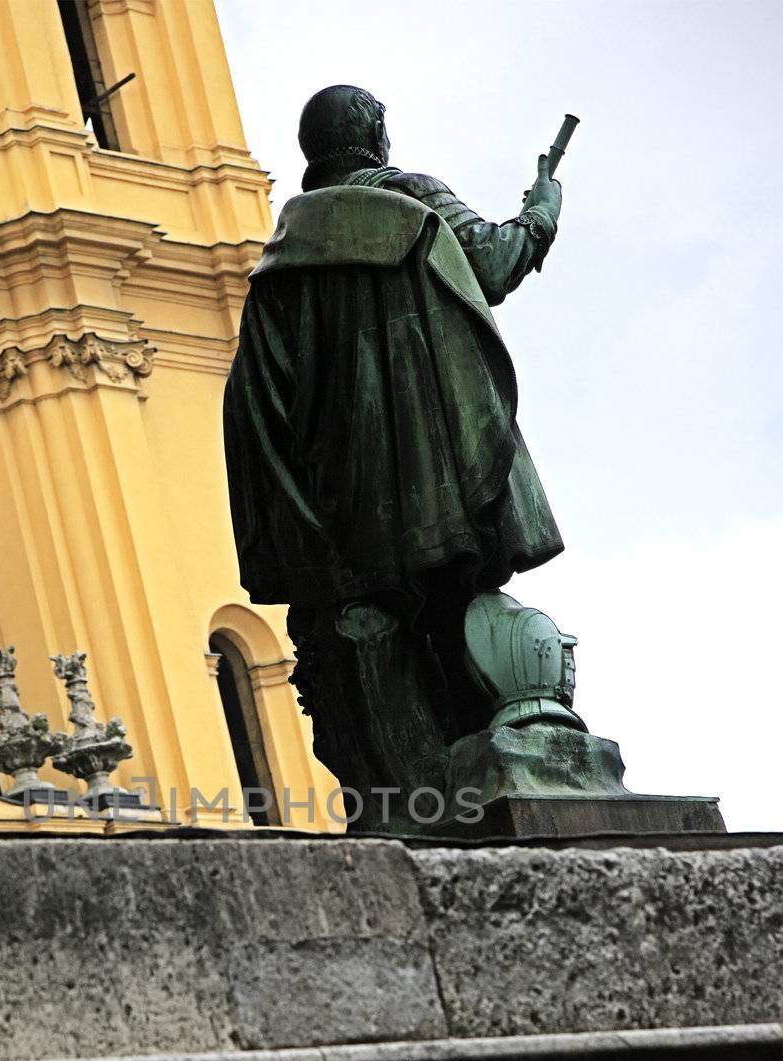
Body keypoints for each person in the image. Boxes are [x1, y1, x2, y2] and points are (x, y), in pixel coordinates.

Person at [224, 84, 565, 829]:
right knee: (459, 640)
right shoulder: (411, 198)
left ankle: (410, 804)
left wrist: (299, 523)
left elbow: (259, 406)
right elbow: (498, 264)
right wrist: (543, 205)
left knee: (377, 657)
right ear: (376, 137)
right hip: (441, 484)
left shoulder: (277, 269)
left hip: (342, 506)